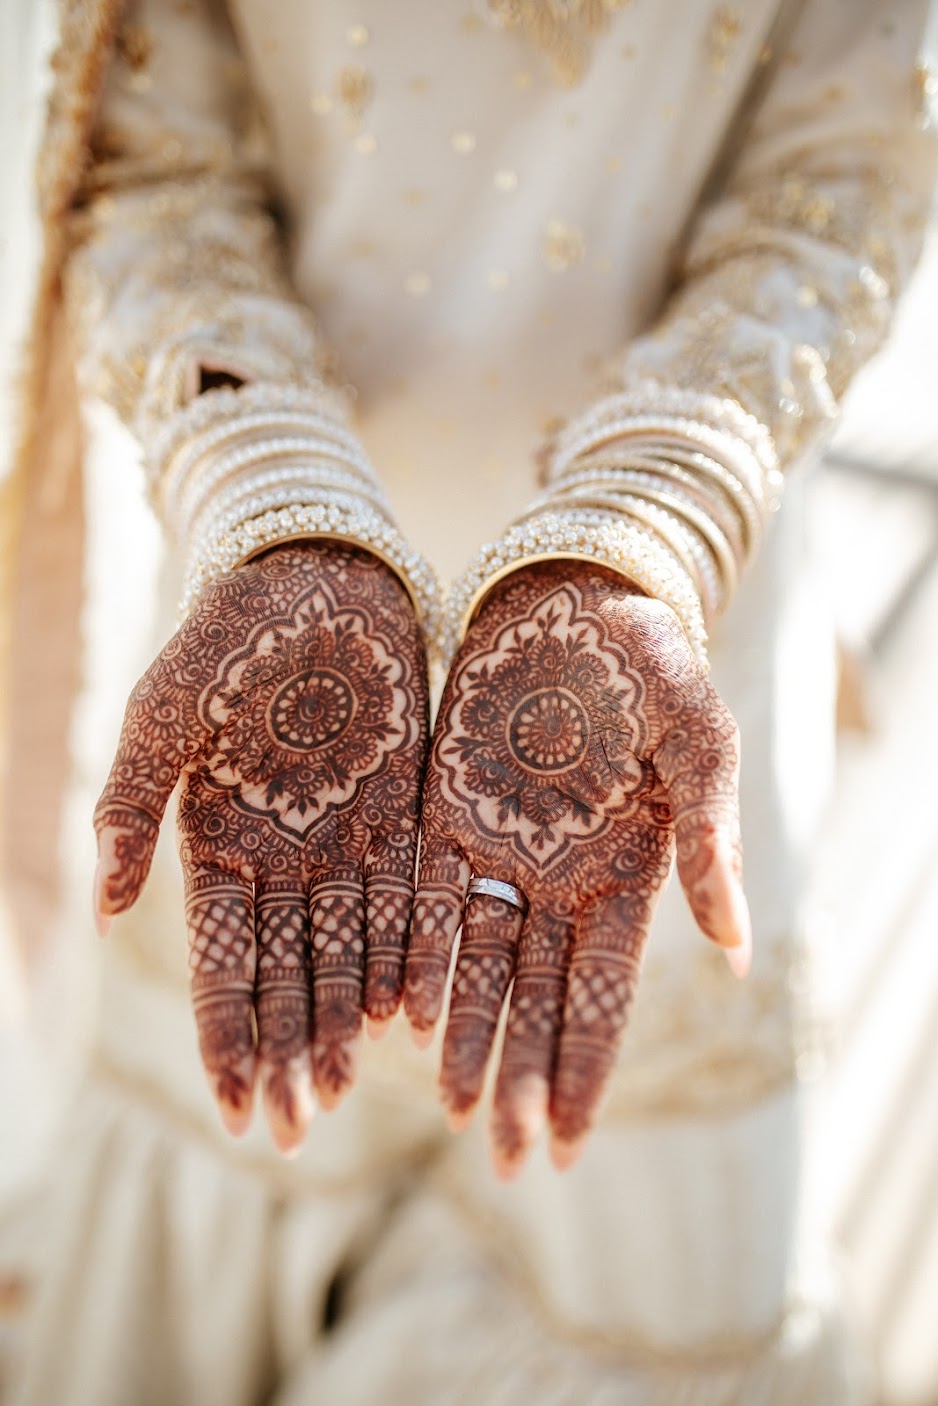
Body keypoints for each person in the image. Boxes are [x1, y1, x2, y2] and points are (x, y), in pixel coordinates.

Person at [1, 1, 935, 1402]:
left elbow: (844, 169)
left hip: (653, 660)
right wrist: (268, 497)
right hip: (265, 613)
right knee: (241, 1143)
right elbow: (147, 147)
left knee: (648, 1266)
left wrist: (655, 516)